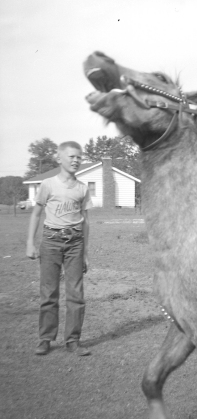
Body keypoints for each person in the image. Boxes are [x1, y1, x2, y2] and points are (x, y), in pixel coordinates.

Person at [26, 141, 93, 356]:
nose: (76, 160)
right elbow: (36, 214)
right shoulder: (48, 184)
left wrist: (85, 253)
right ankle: (45, 339)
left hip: (75, 244)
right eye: (71, 156)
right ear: (59, 158)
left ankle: (73, 340)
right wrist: (30, 242)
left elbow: (86, 222)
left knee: (76, 294)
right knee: (49, 292)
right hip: (51, 241)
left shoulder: (82, 188)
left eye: (79, 157)